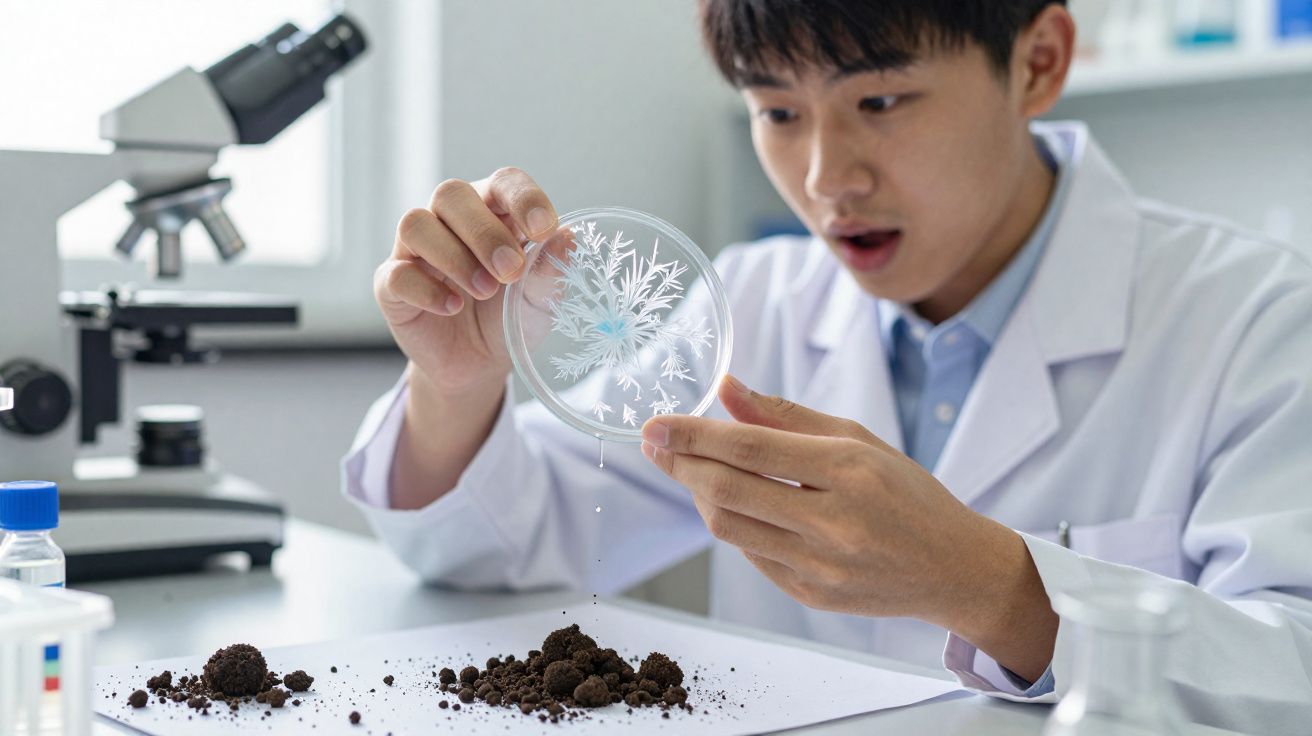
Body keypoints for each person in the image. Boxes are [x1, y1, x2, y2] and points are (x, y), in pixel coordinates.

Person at [344, 2, 1312, 732]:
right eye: (775, 112)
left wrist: (992, 586)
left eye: (880, 100)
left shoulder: (1255, 320)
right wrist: (458, 382)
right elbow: (500, 548)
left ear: (1037, 61)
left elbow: (1295, 671)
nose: (824, 179)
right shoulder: (756, 303)